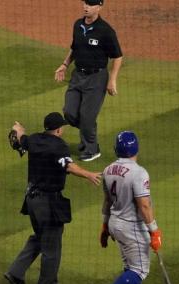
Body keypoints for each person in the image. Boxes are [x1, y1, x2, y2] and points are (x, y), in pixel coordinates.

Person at [4, 112, 102, 284]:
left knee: (41, 237)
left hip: (31, 200)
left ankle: (15, 273)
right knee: (52, 245)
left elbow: (20, 139)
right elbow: (69, 166)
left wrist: (18, 129)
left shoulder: (34, 139)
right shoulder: (59, 146)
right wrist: (88, 174)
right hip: (47, 202)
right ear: (58, 129)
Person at [87, 131, 163, 284]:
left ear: (116, 149)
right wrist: (154, 231)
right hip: (132, 228)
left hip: (115, 224)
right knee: (139, 270)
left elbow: (107, 201)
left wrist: (105, 226)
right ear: (136, 148)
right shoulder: (139, 173)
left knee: (131, 267)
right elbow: (144, 205)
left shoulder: (108, 169)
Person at [54, 0, 123, 162]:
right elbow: (74, 47)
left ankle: (92, 149)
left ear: (99, 7)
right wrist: (64, 64)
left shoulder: (105, 31)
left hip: (96, 78)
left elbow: (118, 57)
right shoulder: (78, 25)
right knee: (69, 112)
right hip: (77, 75)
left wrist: (112, 80)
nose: (86, 7)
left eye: (91, 4)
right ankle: (87, 129)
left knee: (87, 116)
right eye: (85, 3)